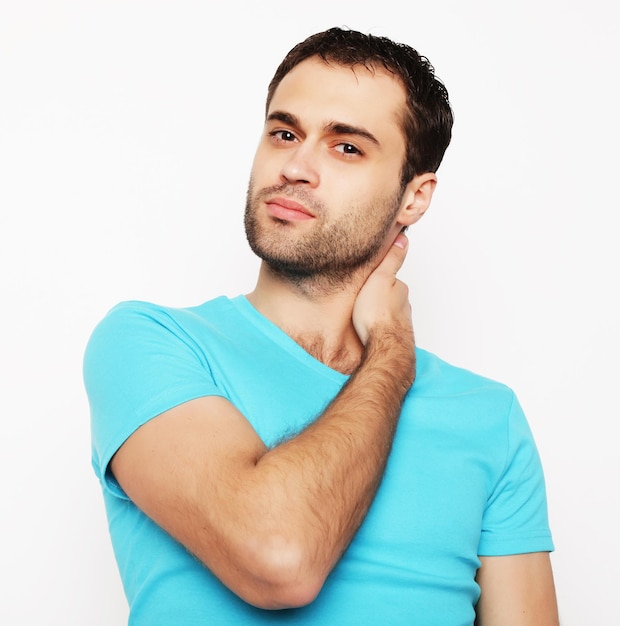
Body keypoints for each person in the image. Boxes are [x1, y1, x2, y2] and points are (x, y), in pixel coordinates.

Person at [83, 27, 559, 625]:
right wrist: (390, 350)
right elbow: (278, 556)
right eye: (284, 134)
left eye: (347, 148)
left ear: (414, 197)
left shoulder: (489, 416)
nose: (297, 167)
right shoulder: (150, 344)